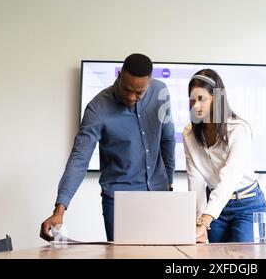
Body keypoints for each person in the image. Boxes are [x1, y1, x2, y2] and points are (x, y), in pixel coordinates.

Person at [40, 53, 176, 242]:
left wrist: (169, 186)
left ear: (150, 83)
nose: (130, 97)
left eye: (139, 93)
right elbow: (79, 159)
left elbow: (167, 140)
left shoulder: (160, 92)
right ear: (119, 75)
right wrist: (59, 209)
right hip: (119, 200)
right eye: (127, 89)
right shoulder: (97, 109)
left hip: (159, 195)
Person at [183, 69, 266, 243]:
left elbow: (230, 177)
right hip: (214, 206)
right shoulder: (189, 133)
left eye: (202, 99)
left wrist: (206, 219)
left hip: (247, 205)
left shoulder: (238, 128)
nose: (196, 106)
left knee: (245, 261)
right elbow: (196, 181)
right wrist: (199, 222)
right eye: (192, 100)